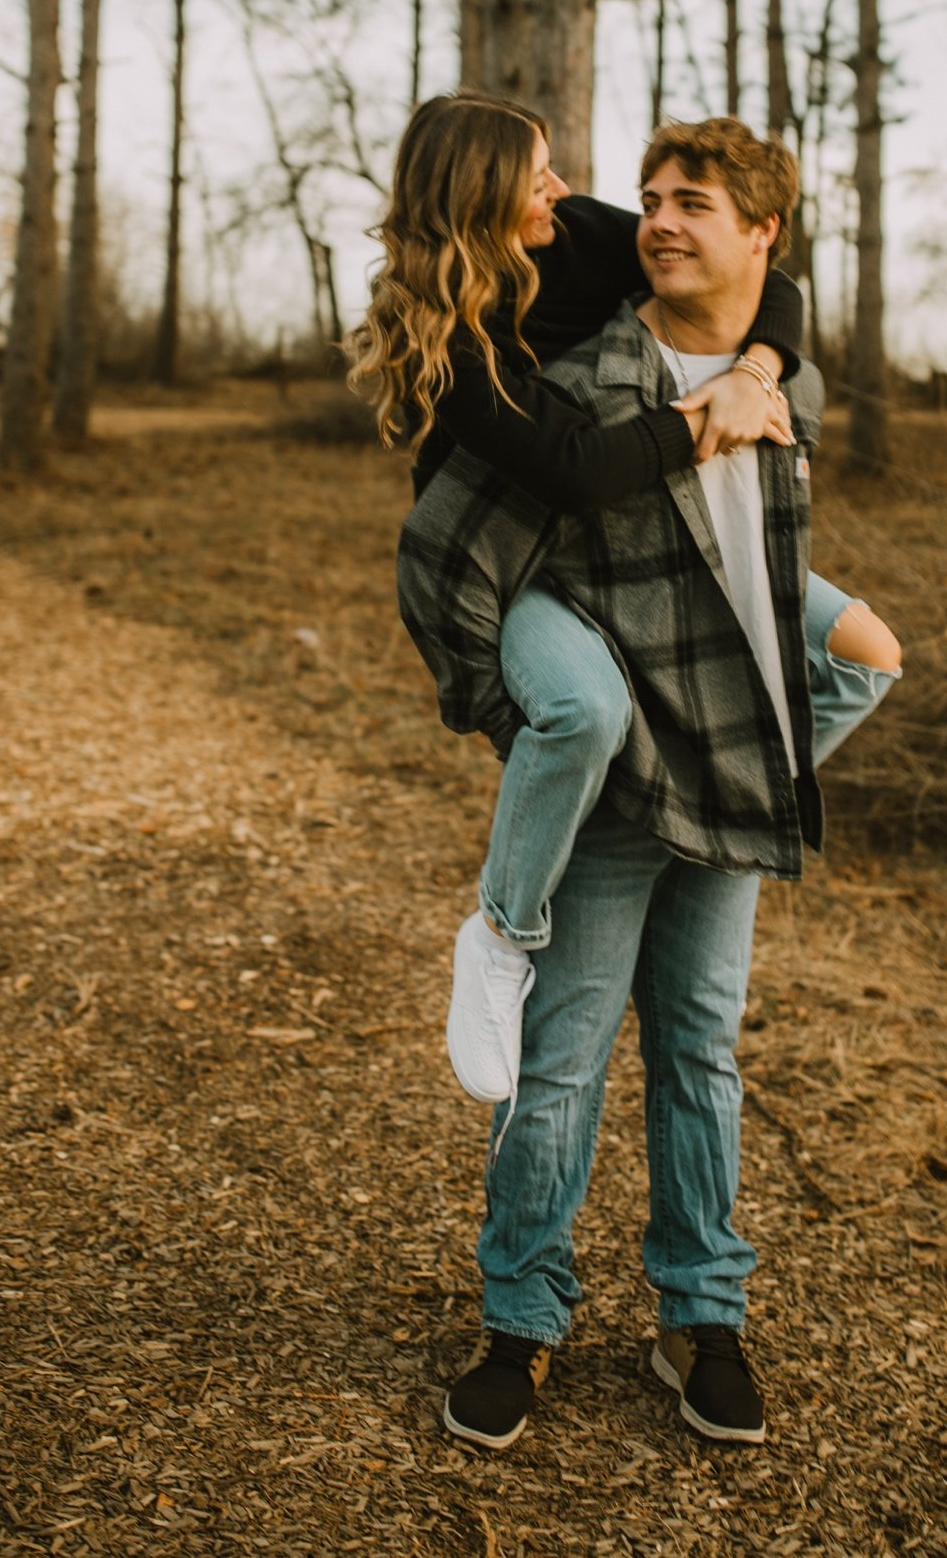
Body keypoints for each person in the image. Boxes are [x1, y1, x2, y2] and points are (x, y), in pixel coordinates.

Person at [396, 117, 901, 1452]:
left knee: (700, 1055)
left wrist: (761, 364)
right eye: (654, 198)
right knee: (558, 1067)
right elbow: (552, 495)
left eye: (696, 202)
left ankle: (703, 1314)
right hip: (624, 759)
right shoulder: (581, 356)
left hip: (724, 768)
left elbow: (778, 339)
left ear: (760, 233)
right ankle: (521, 1318)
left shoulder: (796, 382)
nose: (658, 218)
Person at [350, 93, 834, 1098]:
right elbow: (572, 466)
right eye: (538, 175)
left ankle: (707, 772)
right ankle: (499, 935)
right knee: (585, 707)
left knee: (847, 650)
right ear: (485, 196)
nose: (563, 190)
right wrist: (708, 420)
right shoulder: (450, 332)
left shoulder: (576, 236)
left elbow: (765, 273)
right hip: (500, 561)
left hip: (614, 537)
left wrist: (757, 365)